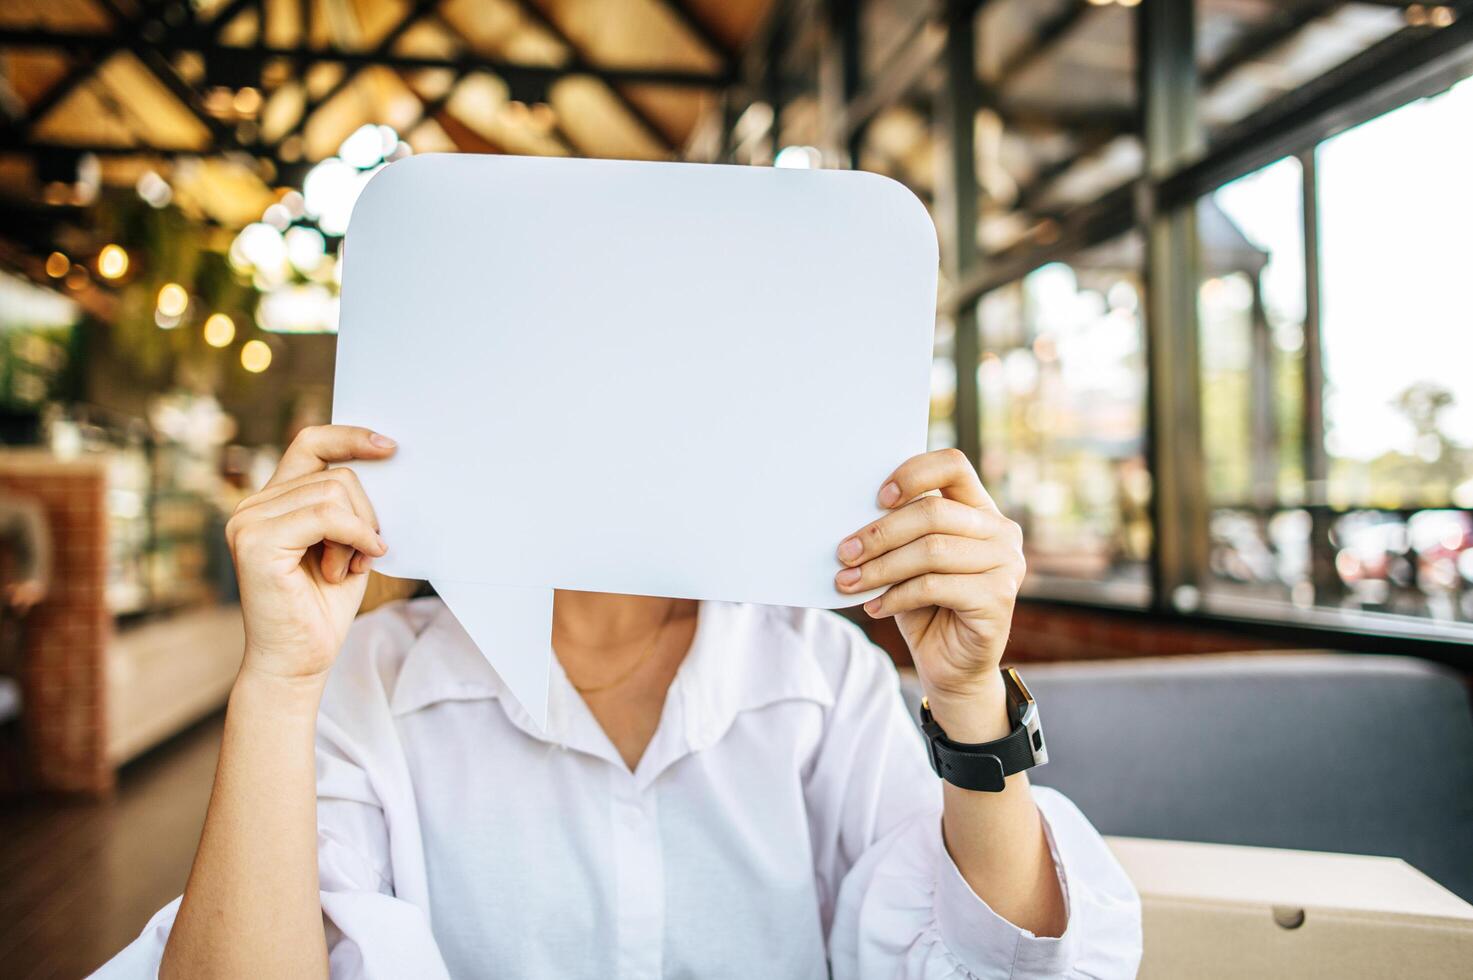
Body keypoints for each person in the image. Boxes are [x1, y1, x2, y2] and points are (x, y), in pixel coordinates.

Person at [99, 425, 1141, 978]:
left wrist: (966, 697)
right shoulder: (367, 676)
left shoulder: (817, 677)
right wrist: (278, 681)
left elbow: (1008, 966)